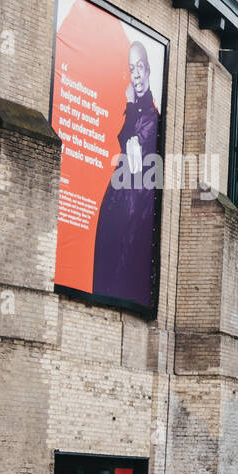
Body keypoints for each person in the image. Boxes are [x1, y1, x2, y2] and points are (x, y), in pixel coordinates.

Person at [93, 40, 160, 306]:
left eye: (140, 67)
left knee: (120, 273)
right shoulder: (132, 110)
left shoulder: (151, 117)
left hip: (134, 215)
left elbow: (133, 161)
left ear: (148, 70)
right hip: (118, 210)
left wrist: (131, 105)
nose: (136, 74)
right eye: (131, 68)